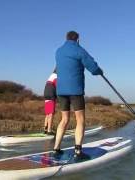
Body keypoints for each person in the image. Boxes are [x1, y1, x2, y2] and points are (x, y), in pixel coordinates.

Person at [53, 31, 103, 159]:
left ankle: (56, 149)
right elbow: (91, 65)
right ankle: (78, 151)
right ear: (78, 39)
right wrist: (98, 71)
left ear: (66, 38)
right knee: (80, 120)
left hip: (61, 91)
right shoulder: (79, 50)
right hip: (75, 90)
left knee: (64, 120)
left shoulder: (58, 51)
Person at [43, 68, 57, 135]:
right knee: (51, 113)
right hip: (51, 95)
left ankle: (45, 129)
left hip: (46, 94)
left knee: (48, 113)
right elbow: (58, 86)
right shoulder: (56, 76)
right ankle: (49, 130)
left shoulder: (51, 75)